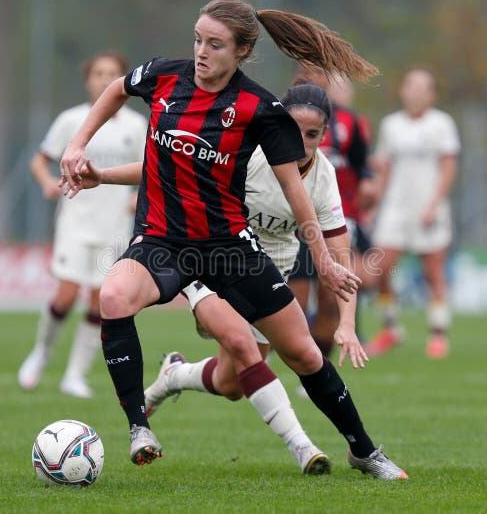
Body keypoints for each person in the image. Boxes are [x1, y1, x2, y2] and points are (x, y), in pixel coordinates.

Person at [60, 0, 407, 480]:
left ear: (242, 51)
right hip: (162, 242)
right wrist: (78, 146)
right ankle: (140, 428)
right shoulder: (163, 77)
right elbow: (117, 90)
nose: (201, 52)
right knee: (114, 294)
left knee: (303, 354)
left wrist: (325, 261)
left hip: (229, 250)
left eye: (215, 44)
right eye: (198, 39)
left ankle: (364, 451)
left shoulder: (260, 108)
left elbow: (294, 187)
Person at [86, 84, 370, 475]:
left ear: (325, 136)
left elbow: (341, 256)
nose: (301, 142)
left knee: (232, 383)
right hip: (208, 256)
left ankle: (174, 375)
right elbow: (158, 167)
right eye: (293, 130)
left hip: (264, 276)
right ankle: (303, 447)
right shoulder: (249, 153)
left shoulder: (323, 178)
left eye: (312, 134)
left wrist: (349, 324)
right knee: (242, 345)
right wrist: (102, 175)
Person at [17, 50, 148, 398]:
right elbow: (39, 160)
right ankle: (41, 353)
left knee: (98, 302)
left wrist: (139, 198)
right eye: (98, 73)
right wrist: (46, 182)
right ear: (87, 79)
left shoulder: (136, 126)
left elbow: (151, 169)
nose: (105, 80)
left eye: (113, 74)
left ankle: (75, 375)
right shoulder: (71, 120)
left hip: (114, 226)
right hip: (75, 222)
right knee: (65, 296)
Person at [363, 68, 460, 359]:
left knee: (433, 273)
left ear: (432, 94)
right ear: (403, 91)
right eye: (411, 85)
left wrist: (434, 204)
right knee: (381, 269)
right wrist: (374, 207)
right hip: (396, 209)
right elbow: (385, 169)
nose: (416, 92)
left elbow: (448, 167)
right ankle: (391, 327)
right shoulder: (392, 126)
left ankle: (438, 334)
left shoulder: (442, 124)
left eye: (423, 87)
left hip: (428, 208)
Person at [287, 66, 375, 381]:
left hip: (336, 218)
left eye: (320, 71)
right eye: (306, 70)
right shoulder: (280, 118)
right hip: (290, 226)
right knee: (292, 308)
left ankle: (316, 371)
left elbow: (364, 167)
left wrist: (367, 184)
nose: (314, 77)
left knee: (330, 299)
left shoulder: (350, 122)